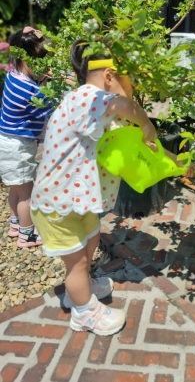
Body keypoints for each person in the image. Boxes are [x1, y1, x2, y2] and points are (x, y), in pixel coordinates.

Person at [31, 39, 184, 336]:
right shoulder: (83, 98)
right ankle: (84, 313)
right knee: (76, 264)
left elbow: (140, 146)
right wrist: (147, 123)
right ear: (110, 76)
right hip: (56, 204)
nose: (135, 90)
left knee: (89, 248)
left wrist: (176, 162)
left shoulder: (102, 112)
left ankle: (82, 288)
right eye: (132, 82)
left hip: (78, 202)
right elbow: (126, 106)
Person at [0, 27, 53, 247]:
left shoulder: (15, 76)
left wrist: (42, 80)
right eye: (44, 66)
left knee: (16, 189)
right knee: (27, 194)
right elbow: (50, 109)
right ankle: (27, 234)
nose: (48, 70)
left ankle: (15, 225)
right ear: (29, 62)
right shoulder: (30, 90)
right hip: (17, 148)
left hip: (8, 143)